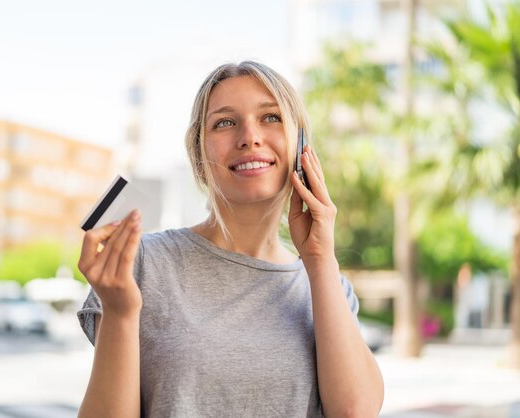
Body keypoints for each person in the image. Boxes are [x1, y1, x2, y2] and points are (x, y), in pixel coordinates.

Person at [76, 61, 384, 418]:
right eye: (224, 122)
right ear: (199, 155)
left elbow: (356, 412)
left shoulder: (329, 284)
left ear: (301, 147)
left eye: (271, 117)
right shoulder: (139, 263)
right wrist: (120, 312)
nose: (249, 137)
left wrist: (320, 260)